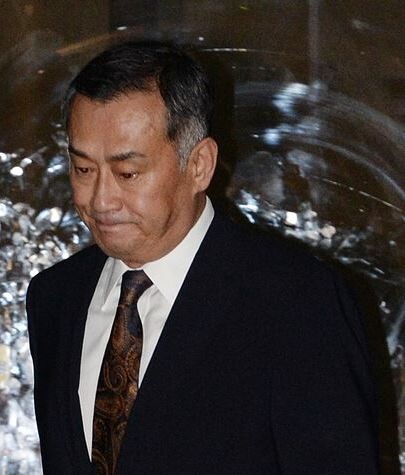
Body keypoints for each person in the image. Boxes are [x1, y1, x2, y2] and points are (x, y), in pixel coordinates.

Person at [26, 41, 379, 474]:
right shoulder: (54, 297)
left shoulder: (297, 302)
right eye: (83, 169)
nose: (100, 199)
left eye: (127, 173)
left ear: (199, 165)